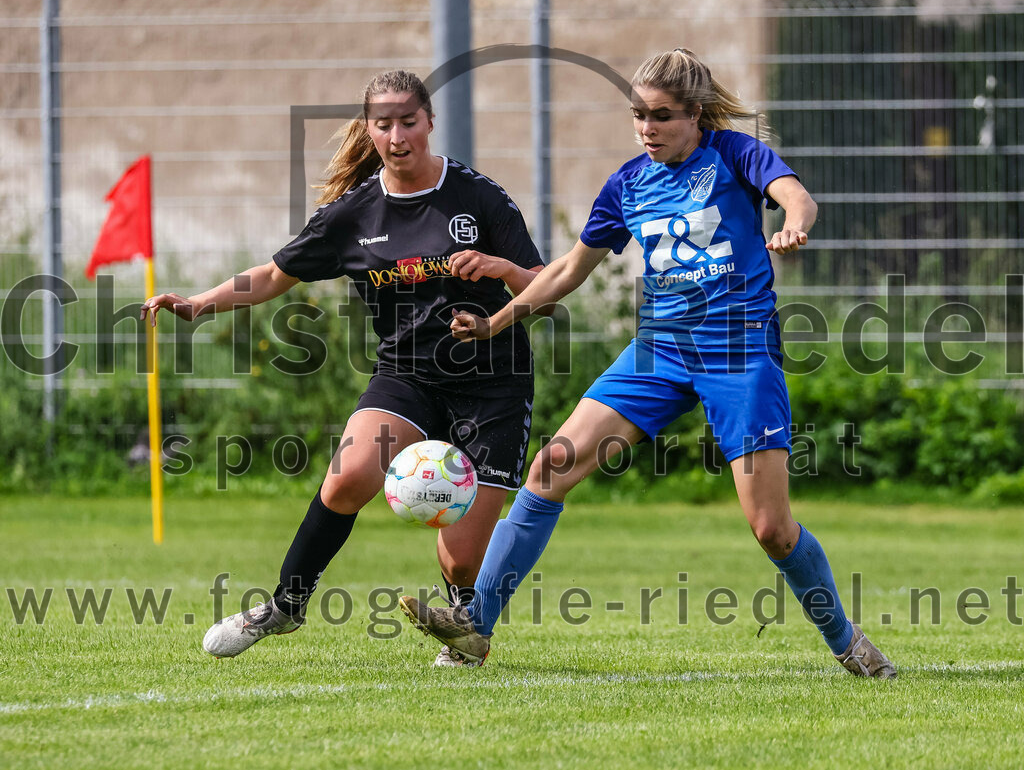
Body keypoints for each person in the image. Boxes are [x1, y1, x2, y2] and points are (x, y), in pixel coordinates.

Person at [399, 48, 896, 679]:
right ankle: (475, 627)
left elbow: (796, 197)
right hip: (659, 350)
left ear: (695, 115)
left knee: (771, 528)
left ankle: (846, 641)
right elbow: (566, 272)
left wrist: (794, 225)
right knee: (551, 468)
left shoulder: (735, 154)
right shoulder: (627, 184)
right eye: (638, 114)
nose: (647, 127)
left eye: (661, 116)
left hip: (738, 351)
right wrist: (496, 322)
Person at [141, 70, 545, 667]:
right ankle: (284, 606)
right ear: (369, 131)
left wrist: (498, 269)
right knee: (349, 475)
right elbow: (276, 274)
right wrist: (201, 301)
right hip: (407, 375)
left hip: (493, 384)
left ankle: (465, 629)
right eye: (384, 124)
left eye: (409, 121)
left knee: (459, 556)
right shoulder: (352, 215)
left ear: (430, 123)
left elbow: (543, 287)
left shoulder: (479, 197)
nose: (398, 134)